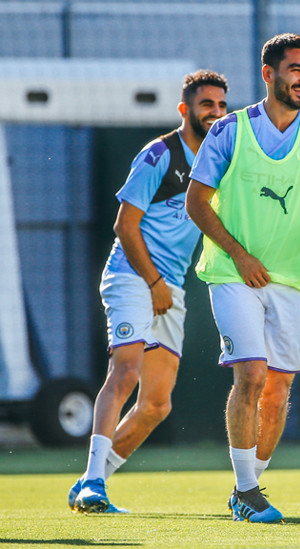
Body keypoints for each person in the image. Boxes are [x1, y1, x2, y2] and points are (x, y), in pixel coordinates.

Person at [186, 33, 300, 523]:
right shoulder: (228, 131)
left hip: (291, 280)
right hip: (232, 273)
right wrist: (239, 256)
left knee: (279, 391)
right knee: (252, 374)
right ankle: (247, 489)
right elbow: (197, 201)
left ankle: (248, 485)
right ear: (269, 74)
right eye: (296, 69)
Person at [71, 70, 229, 513]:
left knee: (156, 405)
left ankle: (90, 481)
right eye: (206, 105)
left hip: (169, 289)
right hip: (132, 277)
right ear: (185, 110)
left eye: (221, 106)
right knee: (124, 373)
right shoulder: (159, 154)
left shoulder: (221, 161)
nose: (215, 114)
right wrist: (155, 282)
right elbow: (125, 225)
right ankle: (94, 489)